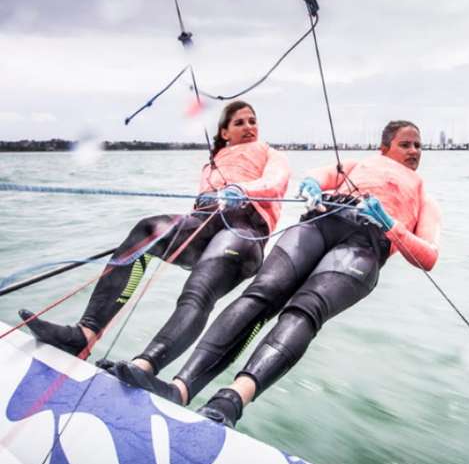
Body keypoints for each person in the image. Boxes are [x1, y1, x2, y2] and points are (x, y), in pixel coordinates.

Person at [113, 120, 441, 427]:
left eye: (418, 146)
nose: (414, 152)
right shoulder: (358, 165)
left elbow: (428, 256)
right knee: (260, 295)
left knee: (305, 310)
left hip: (364, 246)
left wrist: (390, 223)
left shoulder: (425, 195)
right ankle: (179, 388)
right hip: (318, 223)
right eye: (406, 144)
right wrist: (312, 185)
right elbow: (316, 175)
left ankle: (229, 402)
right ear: (384, 149)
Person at [20, 101, 290, 386]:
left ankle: (145, 366)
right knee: (147, 230)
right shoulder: (212, 162)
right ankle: (83, 336)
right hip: (202, 226)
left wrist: (242, 190)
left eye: (252, 121)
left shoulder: (270, 153)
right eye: (240, 123)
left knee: (198, 289)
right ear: (224, 132)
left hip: (244, 231)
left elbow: (276, 180)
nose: (249, 127)